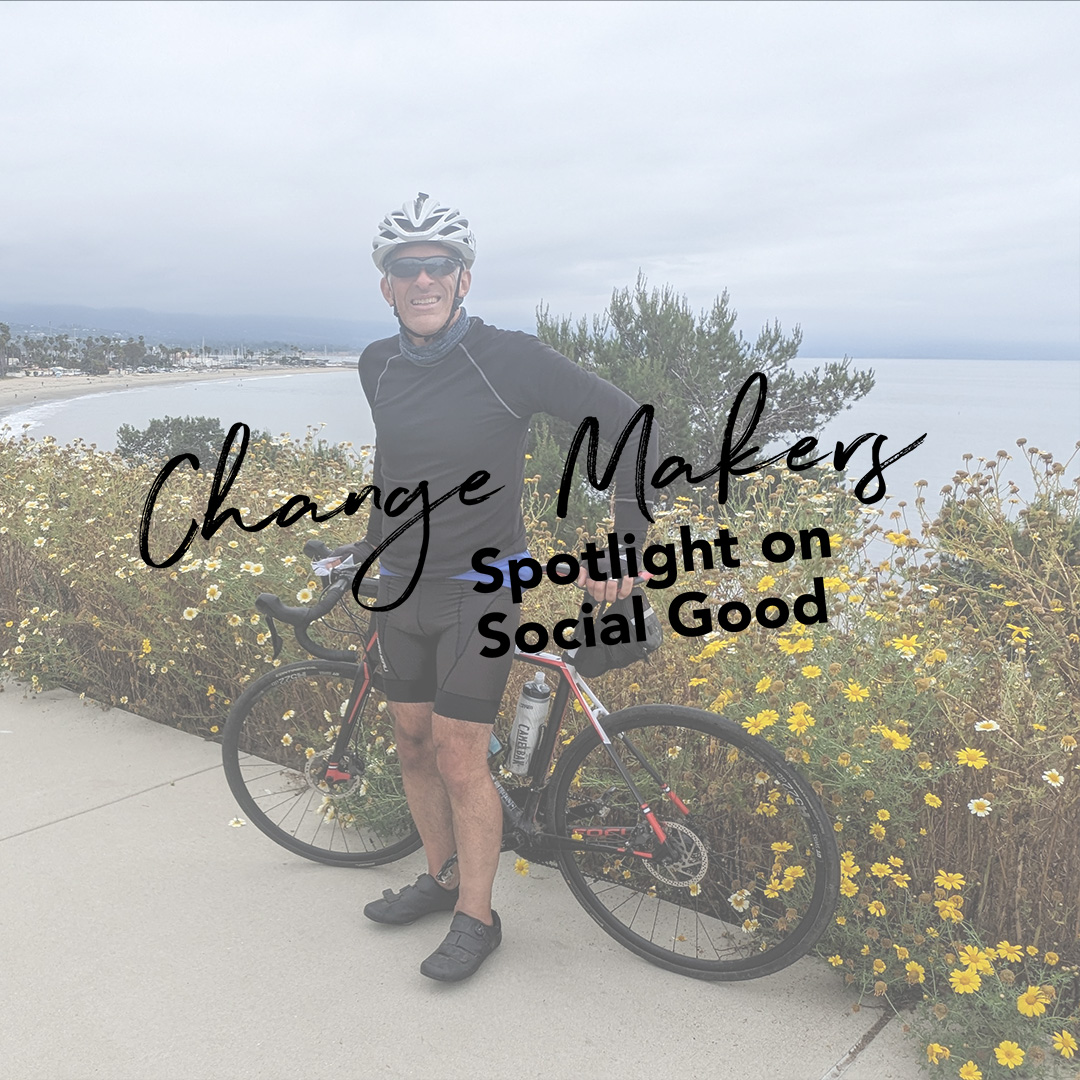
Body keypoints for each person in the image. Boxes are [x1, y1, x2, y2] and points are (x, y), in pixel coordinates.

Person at [332, 193, 657, 982]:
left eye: (436, 266)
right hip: (401, 587)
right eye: (403, 269)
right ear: (385, 286)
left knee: (457, 752)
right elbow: (391, 469)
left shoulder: (513, 359)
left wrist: (626, 541)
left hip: (480, 588)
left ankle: (478, 915)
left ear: (464, 278)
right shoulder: (377, 363)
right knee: (412, 739)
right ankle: (442, 879)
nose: (421, 280)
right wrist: (366, 547)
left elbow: (631, 421)